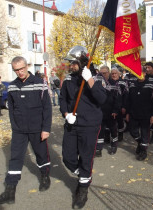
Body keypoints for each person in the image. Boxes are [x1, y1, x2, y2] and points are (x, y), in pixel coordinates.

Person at [0, 56, 52, 205]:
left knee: (41, 155)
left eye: (22, 68)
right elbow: (12, 110)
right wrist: (14, 126)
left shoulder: (39, 83)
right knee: (15, 158)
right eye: (16, 70)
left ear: (27, 66)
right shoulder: (13, 86)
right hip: (19, 130)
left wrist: (45, 129)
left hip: (37, 128)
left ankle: (45, 176)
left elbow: (47, 108)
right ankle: (10, 190)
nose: (20, 72)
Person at [60, 59, 107, 208]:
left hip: (89, 124)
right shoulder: (68, 78)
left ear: (82, 63)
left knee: (86, 157)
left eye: (74, 63)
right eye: (70, 63)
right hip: (72, 122)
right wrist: (66, 113)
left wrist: (90, 80)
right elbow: (62, 99)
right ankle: (83, 174)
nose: (71, 66)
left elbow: (102, 99)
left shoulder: (97, 78)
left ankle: (83, 188)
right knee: (68, 156)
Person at [126, 67, 153, 160]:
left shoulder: (151, 85)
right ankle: (140, 143)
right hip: (133, 113)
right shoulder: (132, 84)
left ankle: (143, 151)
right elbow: (128, 100)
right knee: (133, 131)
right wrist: (128, 113)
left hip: (146, 114)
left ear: (144, 73)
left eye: (141, 72)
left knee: (145, 133)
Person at [96, 66, 121, 156]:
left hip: (111, 112)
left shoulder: (114, 83)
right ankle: (99, 149)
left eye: (105, 73)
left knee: (113, 129)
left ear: (109, 73)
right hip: (100, 112)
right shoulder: (97, 83)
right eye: (101, 73)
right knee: (100, 130)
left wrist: (115, 110)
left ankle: (114, 146)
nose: (102, 75)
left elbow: (118, 99)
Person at [111, 68, 128, 142]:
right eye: (112, 73)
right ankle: (110, 136)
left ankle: (120, 134)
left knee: (120, 121)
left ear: (119, 74)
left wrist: (124, 106)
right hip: (111, 106)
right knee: (111, 122)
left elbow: (126, 95)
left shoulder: (123, 82)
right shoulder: (108, 82)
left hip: (120, 106)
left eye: (115, 73)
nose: (114, 75)